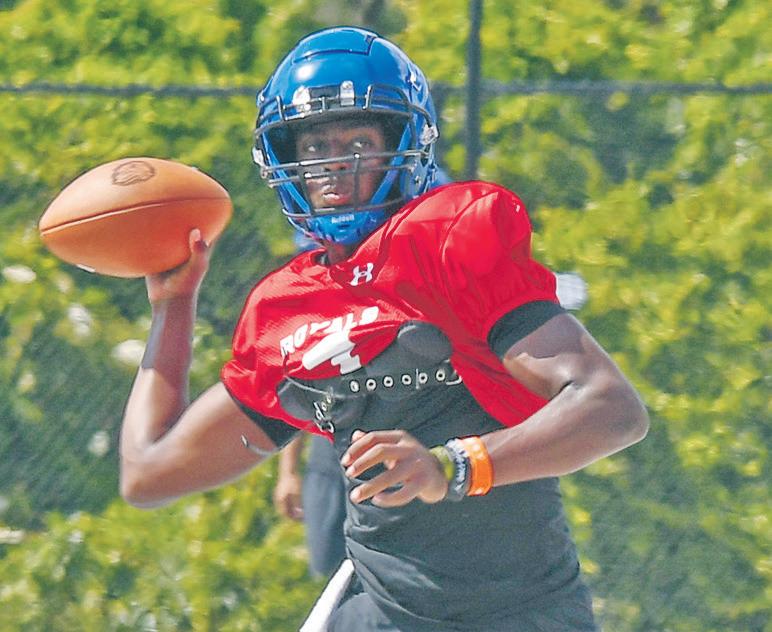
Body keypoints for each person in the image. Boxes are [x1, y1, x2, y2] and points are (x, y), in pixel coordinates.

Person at [119, 26, 649, 631]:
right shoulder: (286, 308)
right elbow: (148, 471)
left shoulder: (447, 243)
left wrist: (451, 465)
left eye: (358, 142)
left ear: (405, 145)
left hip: (515, 613)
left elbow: (611, 407)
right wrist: (174, 306)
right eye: (315, 145)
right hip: (381, 616)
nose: (334, 165)